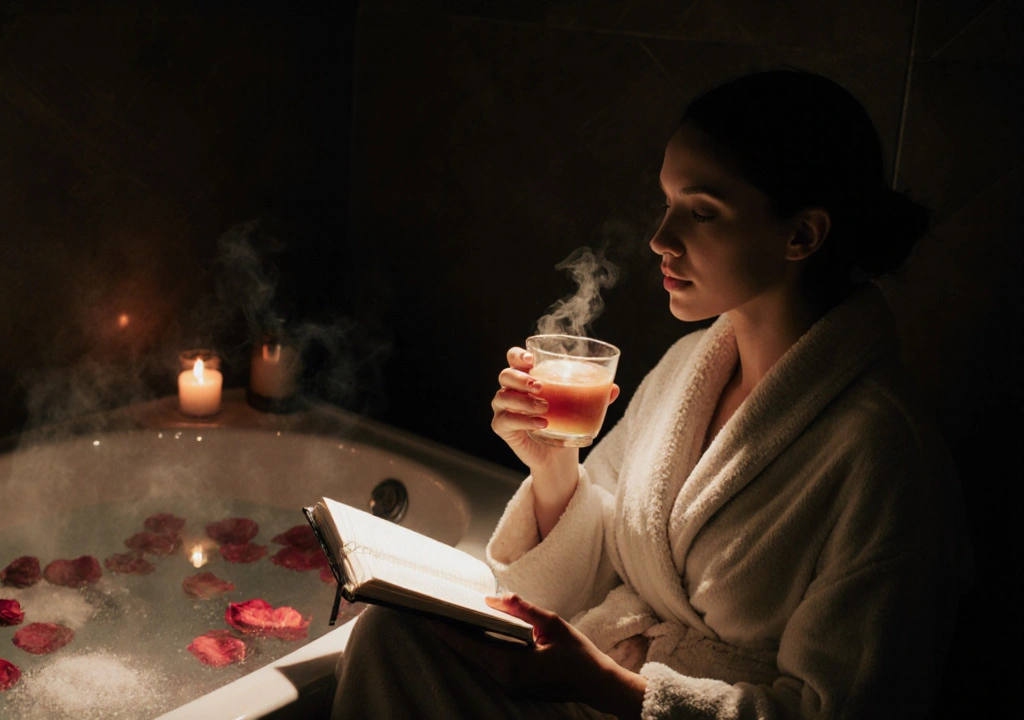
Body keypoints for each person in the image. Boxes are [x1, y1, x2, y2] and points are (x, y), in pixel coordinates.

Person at [329, 69, 972, 719]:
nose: (661, 239)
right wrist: (553, 466)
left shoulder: (885, 451)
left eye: (701, 211)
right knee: (394, 635)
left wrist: (608, 685)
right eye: (666, 204)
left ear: (801, 235)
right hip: (603, 692)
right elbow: (593, 573)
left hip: (639, 704)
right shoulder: (687, 368)